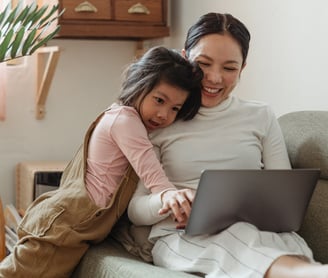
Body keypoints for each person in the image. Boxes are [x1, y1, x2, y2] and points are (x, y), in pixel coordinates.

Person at [127, 13, 328, 278]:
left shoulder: (261, 116)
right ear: (185, 57)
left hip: (261, 232)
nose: (214, 78)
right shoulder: (163, 117)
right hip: (182, 236)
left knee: (265, 238)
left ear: (243, 68)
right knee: (239, 237)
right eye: (203, 64)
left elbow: (284, 201)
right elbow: (135, 210)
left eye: (229, 68)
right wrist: (169, 200)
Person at [0, 46, 202, 277]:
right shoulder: (125, 120)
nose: (163, 114)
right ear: (139, 85)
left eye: (174, 108)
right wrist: (170, 194)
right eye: (159, 100)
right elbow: (150, 170)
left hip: (75, 228)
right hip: (63, 226)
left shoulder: (123, 118)